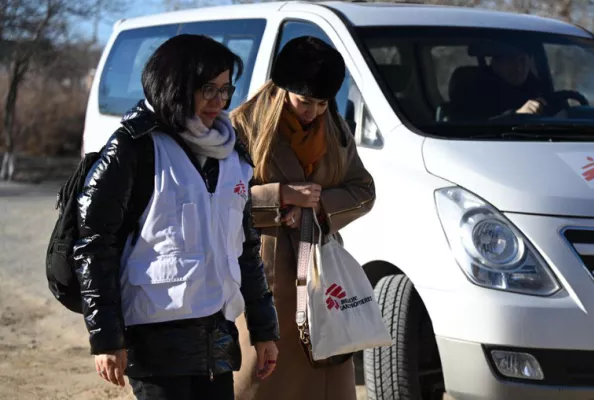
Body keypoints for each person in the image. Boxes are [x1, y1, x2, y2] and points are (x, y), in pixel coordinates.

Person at [73, 34, 280, 400]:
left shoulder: (232, 154)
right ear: (176, 86)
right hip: (154, 339)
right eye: (207, 89)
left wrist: (264, 329)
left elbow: (245, 247)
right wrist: (105, 337)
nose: (219, 102)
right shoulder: (134, 147)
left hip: (217, 335)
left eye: (225, 90)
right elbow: (94, 244)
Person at [230, 36, 375, 400]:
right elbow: (217, 199)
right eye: (304, 101)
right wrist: (279, 196)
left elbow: (364, 190)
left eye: (323, 103)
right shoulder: (242, 127)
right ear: (281, 89)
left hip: (321, 269)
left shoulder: (336, 130)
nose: (313, 112)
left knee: (326, 362)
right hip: (264, 267)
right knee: (264, 373)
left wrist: (319, 205)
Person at [450, 44, 547, 120]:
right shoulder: (475, 90)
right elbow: (472, 127)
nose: (518, 67)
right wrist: (516, 116)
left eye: (522, 60)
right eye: (510, 60)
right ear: (495, 64)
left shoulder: (534, 86)